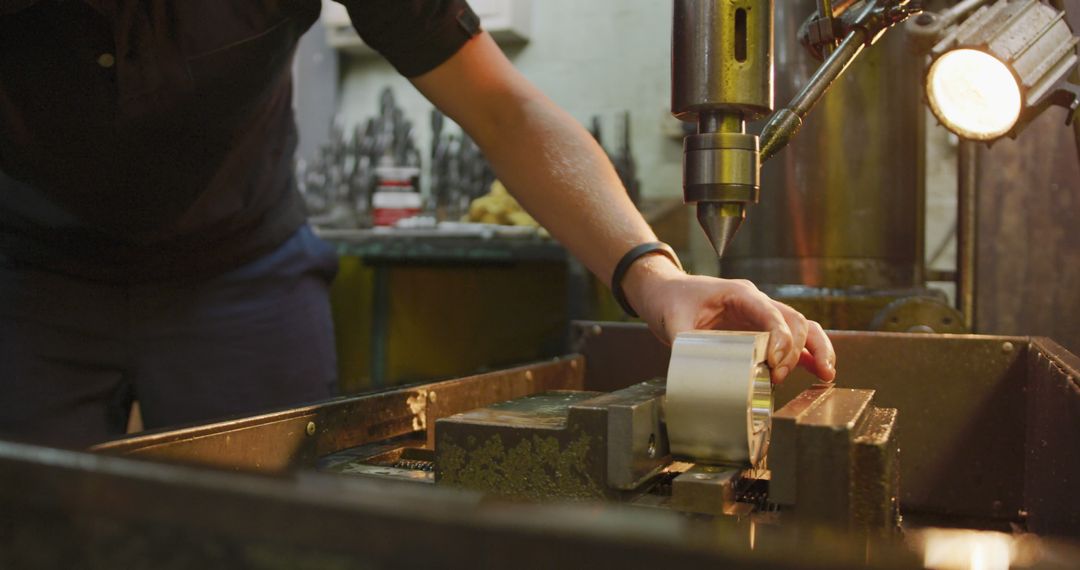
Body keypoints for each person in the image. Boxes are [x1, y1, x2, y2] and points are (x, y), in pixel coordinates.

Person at [0, 0, 835, 447]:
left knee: (269, 536)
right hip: (27, 276)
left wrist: (651, 276)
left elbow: (503, 109)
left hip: (241, 275)